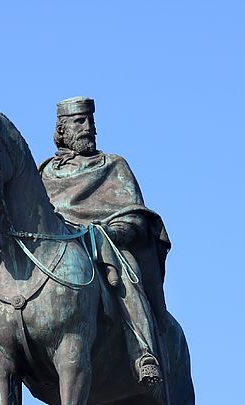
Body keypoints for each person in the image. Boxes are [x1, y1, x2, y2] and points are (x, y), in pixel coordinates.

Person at [39, 96, 171, 386]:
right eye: (79, 121)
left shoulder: (113, 166)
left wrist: (112, 231)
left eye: (90, 121)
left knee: (129, 269)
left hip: (102, 244)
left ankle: (143, 351)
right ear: (61, 129)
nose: (88, 127)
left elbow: (135, 216)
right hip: (53, 252)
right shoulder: (44, 172)